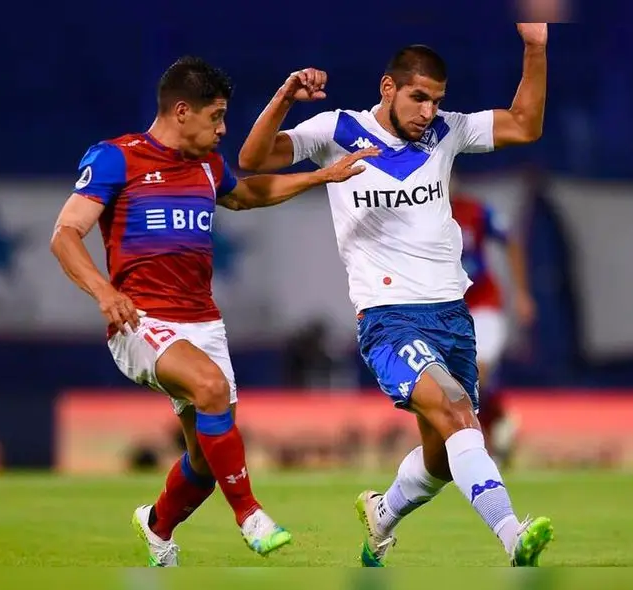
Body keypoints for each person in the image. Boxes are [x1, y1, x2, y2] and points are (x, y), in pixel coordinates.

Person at [237, 24, 550, 566]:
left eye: (436, 100)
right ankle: (511, 536)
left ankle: (382, 514)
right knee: (458, 414)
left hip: (453, 315)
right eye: (418, 97)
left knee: (444, 456)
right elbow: (254, 159)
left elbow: (524, 125)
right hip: (389, 319)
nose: (429, 111)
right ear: (388, 87)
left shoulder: (446, 132)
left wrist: (535, 48)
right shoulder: (337, 130)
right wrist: (285, 96)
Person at [49, 56, 378, 567]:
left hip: (203, 323)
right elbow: (65, 234)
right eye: (216, 117)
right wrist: (103, 292)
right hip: (141, 321)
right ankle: (250, 515)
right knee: (210, 388)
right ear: (182, 111)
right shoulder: (118, 158)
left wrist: (321, 177)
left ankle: (156, 527)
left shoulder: (207, 164)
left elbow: (245, 195)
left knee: (205, 460)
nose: (224, 129)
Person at [451, 184, 536, 468]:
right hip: (447, 310)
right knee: (458, 384)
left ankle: (487, 439)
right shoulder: (419, 213)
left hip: (484, 304)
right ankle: (499, 426)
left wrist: (522, 292)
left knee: (479, 370)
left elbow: (511, 239)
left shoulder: (475, 210)